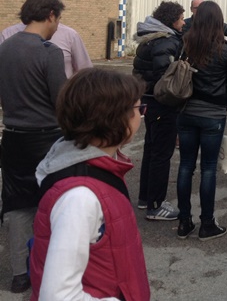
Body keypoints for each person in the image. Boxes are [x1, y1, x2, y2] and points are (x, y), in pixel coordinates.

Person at [29, 69, 150, 300]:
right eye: (139, 109)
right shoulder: (80, 197)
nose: (141, 115)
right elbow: (58, 296)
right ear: (116, 118)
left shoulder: (97, 169)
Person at [0, 0, 67, 293]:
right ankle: (49, 267)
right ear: (51, 15)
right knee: (52, 202)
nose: (57, 26)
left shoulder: (4, 48)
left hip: (14, 137)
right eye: (58, 19)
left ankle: (19, 273)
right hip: (48, 138)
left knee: (16, 204)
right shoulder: (49, 52)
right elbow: (61, 100)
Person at [175, 1, 227, 241]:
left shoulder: (187, 45)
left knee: (185, 166)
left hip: (187, 111)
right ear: (219, 22)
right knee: (208, 168)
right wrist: (222, 106)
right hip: (213, 114)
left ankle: (184, 222)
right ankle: (207, 224)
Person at [132, 1, 185, 221]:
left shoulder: (149, 39)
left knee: (151, 149)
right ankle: (155, 205)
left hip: (149, 100)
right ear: (171, 20)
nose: (183, 22)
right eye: (181, 18)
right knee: (161, 154)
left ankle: (146, 198)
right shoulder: (166, 41)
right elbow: (167, 79)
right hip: (162, 102)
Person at [0, 0, 92, 78]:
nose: (57, 26)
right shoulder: (7, 34)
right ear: (51, 15)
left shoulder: (70, 35)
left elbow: (85, 72)